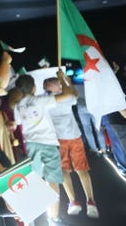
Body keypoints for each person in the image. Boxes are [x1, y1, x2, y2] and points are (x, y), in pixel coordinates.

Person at [11, 71, 76, 226]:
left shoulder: (18, 106)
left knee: (35, 179)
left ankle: (33, 214)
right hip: (48, 143)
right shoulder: (41, 100)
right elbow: (68, 94)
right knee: (52, 179)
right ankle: (53, 218)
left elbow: (18, 123)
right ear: (34, 87)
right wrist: (62, 79)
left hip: (32, 145)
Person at [43, 76, 99, 219]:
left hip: (58, 140)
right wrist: (66, 79)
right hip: (74, 137)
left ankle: (73, 201)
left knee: (64, 171)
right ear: (55, 86)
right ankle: (91, 201)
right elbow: (75, 93)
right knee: (81, 169)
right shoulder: (67, 97)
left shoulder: (44, 101)